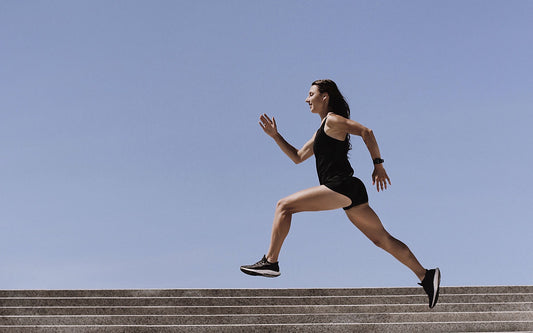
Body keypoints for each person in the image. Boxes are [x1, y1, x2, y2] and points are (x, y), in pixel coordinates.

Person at [240, 79, 441, 308]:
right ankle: (426, 276)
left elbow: (366, 131)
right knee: (381, 239)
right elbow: (297, 156)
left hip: (341, 186)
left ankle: (271, 262)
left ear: (325, 97)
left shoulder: (333, 120)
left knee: (283, 206)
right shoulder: (321, 130)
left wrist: (378, 164)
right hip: (351, 191)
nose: (307, 99)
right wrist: (276, 136)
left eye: (311, 94)